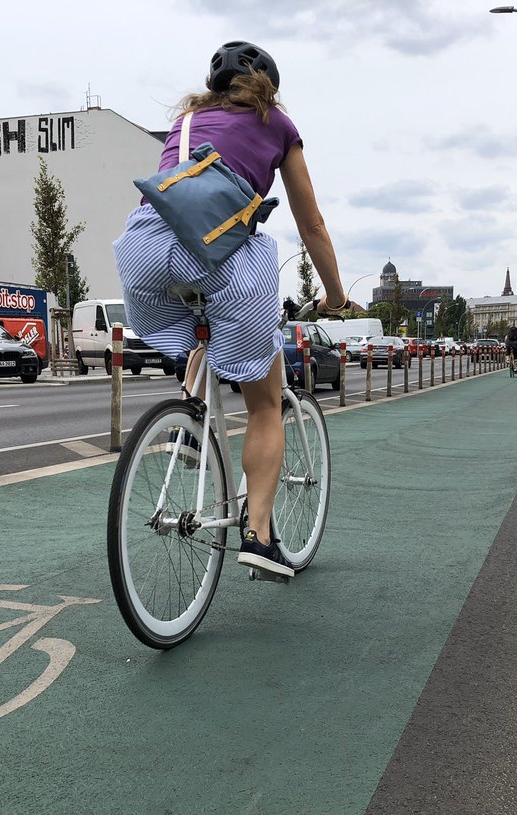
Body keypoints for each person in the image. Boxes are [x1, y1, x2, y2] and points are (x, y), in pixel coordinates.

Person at [113, 41, 353, 580]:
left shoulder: (190, 119)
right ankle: (259, 536)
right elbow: (311, 225)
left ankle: (188, 424)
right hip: (221, 257)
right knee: (266, 404)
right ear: (268, 87)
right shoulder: (279, 126)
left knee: (201, 332)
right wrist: (336, 295)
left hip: (143, 251)